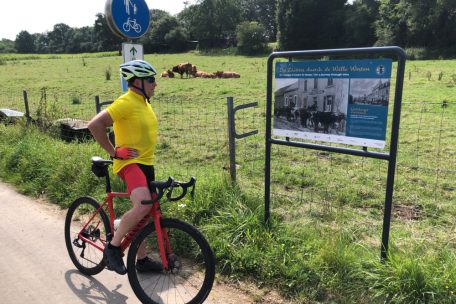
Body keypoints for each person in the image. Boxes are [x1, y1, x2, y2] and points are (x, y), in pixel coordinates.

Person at [88, 59, 162, 275]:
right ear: (137, 81)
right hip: (129, 163)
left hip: (146, 163)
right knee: (142, 206)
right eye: (150, 80)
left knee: (147, 212)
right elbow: (95, 125)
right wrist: (113, 152)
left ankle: (142, 260)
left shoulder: (144, 102)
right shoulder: (126, 101)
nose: (155, 83)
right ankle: (113, 248)